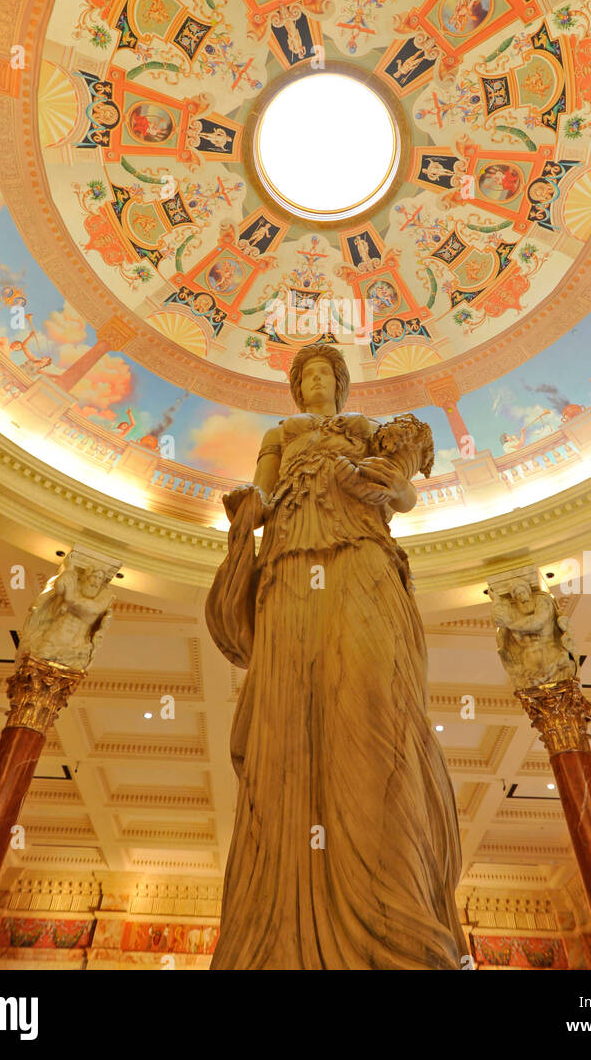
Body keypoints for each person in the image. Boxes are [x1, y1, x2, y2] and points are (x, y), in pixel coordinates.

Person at [206, 344, 464, 970]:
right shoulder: (281, 434)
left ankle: (393, 908)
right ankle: (280, 934)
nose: (318, 381)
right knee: (288, 722)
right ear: (297, 389)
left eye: (327, 373)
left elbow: (402, 497)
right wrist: (245, 511)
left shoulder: (368, 432)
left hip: (363, 553)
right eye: (308, 375)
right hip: (291, 564)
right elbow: (261, 500)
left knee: (378, 702)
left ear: (343, 385)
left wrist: (399, 489)